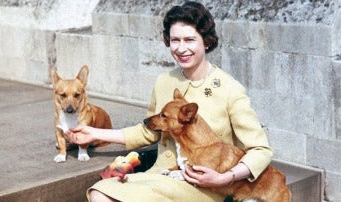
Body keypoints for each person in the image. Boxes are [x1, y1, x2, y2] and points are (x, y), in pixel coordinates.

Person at [65, 1, 273, 201]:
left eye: (190, 40)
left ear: (206, 41)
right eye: (175, 40)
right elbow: (147, 131)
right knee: (99, 192)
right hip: (162, 176)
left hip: (205, 187)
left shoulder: (230, 89)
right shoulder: (165, 82)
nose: (181, 49)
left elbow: (260, 150)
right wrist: (93, 133)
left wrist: (225, 177)